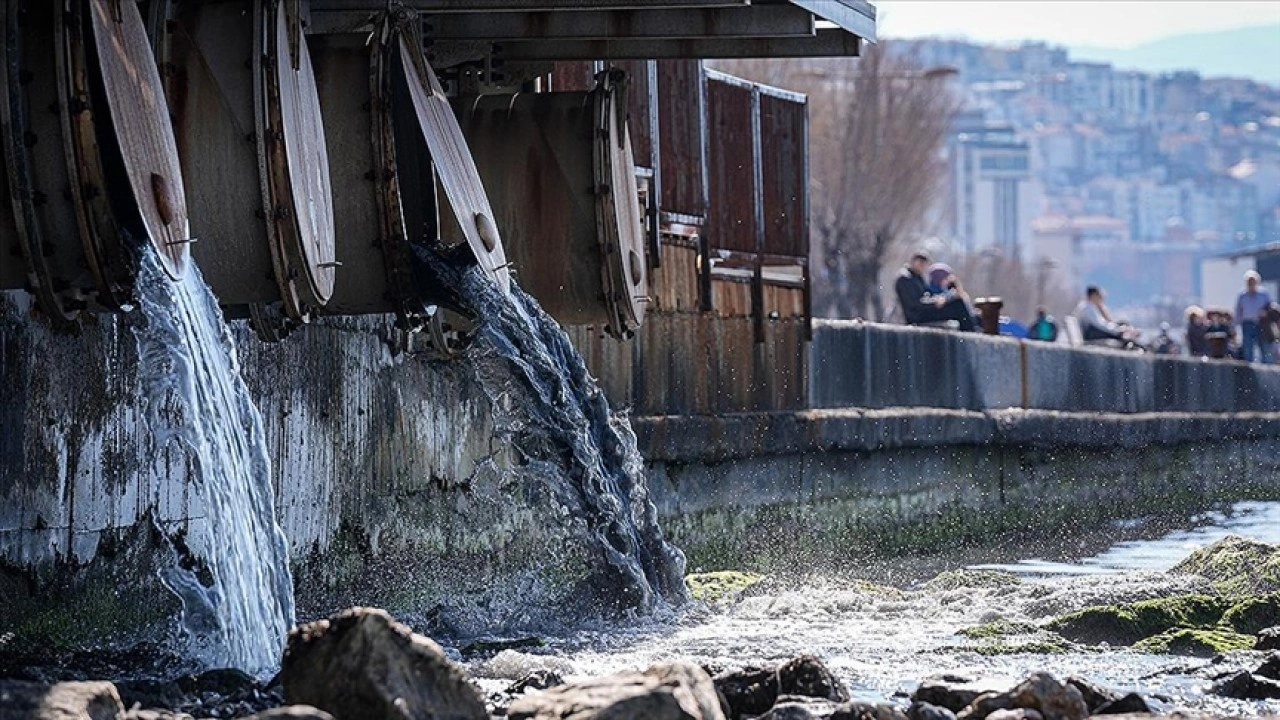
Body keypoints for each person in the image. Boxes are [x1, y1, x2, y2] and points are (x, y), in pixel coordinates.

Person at [894, 251, 977, 331]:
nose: (922, 267)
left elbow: (927, 295)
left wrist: (942, 299)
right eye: (920, 263)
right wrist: (935, 303)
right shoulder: (905, 278)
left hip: (924, 310)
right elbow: (915, 304)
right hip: (918, 316)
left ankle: (970, 331)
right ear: (913, 262)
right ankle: (970, 333)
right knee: (957, 306)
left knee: (958, 303)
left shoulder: (917, 277)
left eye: (924, 264)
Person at [1073, 286, 1137, 343]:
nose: (1102, 299)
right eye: (1100, 296)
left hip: (1094, 333)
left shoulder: (1087, 307)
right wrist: (1118, 331)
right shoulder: (1088, 308)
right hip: (1094, 335)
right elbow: (1101, 325)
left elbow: (1105, 322)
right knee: (1126, 333)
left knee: (1123, 324)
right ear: (1094, 296)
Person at [1235, 270, 1273, 363]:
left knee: (1264, 347)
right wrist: (1236, 325)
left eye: (1253, 282)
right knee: (1248, 348)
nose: (1251, 284)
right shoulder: (1242, 295)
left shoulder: (1264, 294)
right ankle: (1250, 371)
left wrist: (1265, 312)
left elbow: (1271, 307)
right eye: (1249, 282)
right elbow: (1238, 310)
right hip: (1247, 323)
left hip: (1262, 324)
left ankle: (1267, 369)